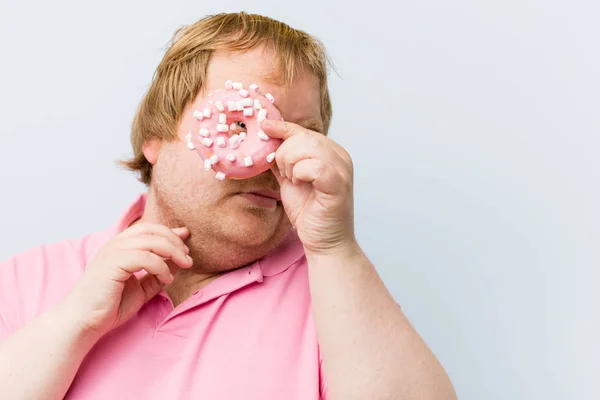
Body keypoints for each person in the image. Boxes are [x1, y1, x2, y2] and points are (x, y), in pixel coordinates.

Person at [0, 12, 457, 400]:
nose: (273, 157)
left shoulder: (340, 294)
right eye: (240, 126)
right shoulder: (27, 280)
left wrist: (335, 250)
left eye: (302, 133)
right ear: (154, 138)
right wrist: (72, 323)